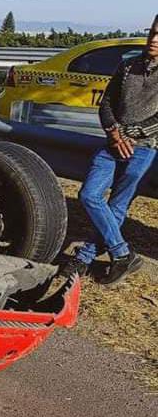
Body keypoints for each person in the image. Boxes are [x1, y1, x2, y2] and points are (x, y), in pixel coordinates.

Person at [62, 15, 158, 284]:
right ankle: (122, 253)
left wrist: (129, 135)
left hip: (145, 149)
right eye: (152, 32)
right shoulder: (128, 66)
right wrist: (115, 133)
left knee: (117, 205)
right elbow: (105, 104)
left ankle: (83, 258)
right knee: (89, 194)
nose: (154, 39)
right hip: (113, 143)